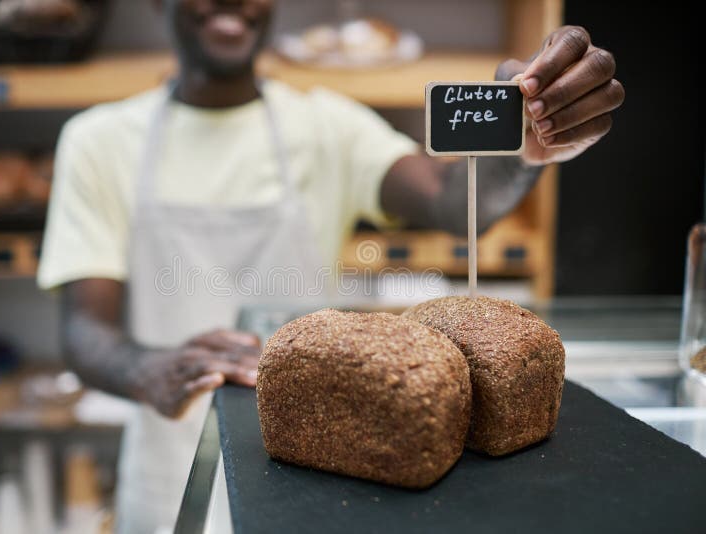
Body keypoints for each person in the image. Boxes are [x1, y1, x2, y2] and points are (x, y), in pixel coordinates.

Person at [37, 0, 624, 531]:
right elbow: (85, 332)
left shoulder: (326, 126)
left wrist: (525, 143)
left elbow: (451, 200)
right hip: (169, 463)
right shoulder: (97, 141)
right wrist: (148, 369)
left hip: (321, 460)